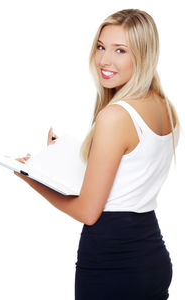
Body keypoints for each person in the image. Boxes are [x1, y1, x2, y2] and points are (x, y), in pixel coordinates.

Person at [14, 8, 181, 300]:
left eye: (120, 50)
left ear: (144, 54)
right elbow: (129, 171)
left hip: (112, 262)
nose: (105, 60)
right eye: (101, 47)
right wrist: (68, 154)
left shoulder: (115, 116)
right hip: (151, 256)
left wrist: (31, 177)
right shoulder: (166, 108)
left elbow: (88, 212)